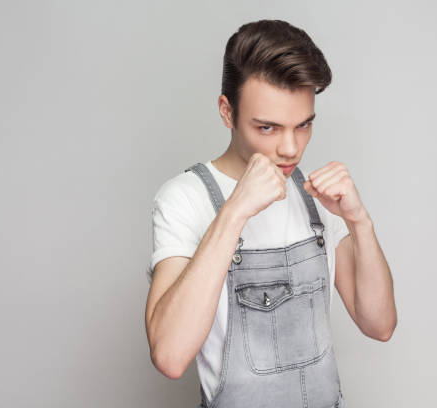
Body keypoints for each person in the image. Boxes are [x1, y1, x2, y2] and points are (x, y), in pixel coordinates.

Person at [144, 19, 397, 408]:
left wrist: (359, 222)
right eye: (268, 128)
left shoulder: (315, 198)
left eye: (304, 125)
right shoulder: (185, 199)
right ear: (227, 112)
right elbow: (169, 356)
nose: (291, 149)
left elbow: (379, 325)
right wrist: (234, 212)